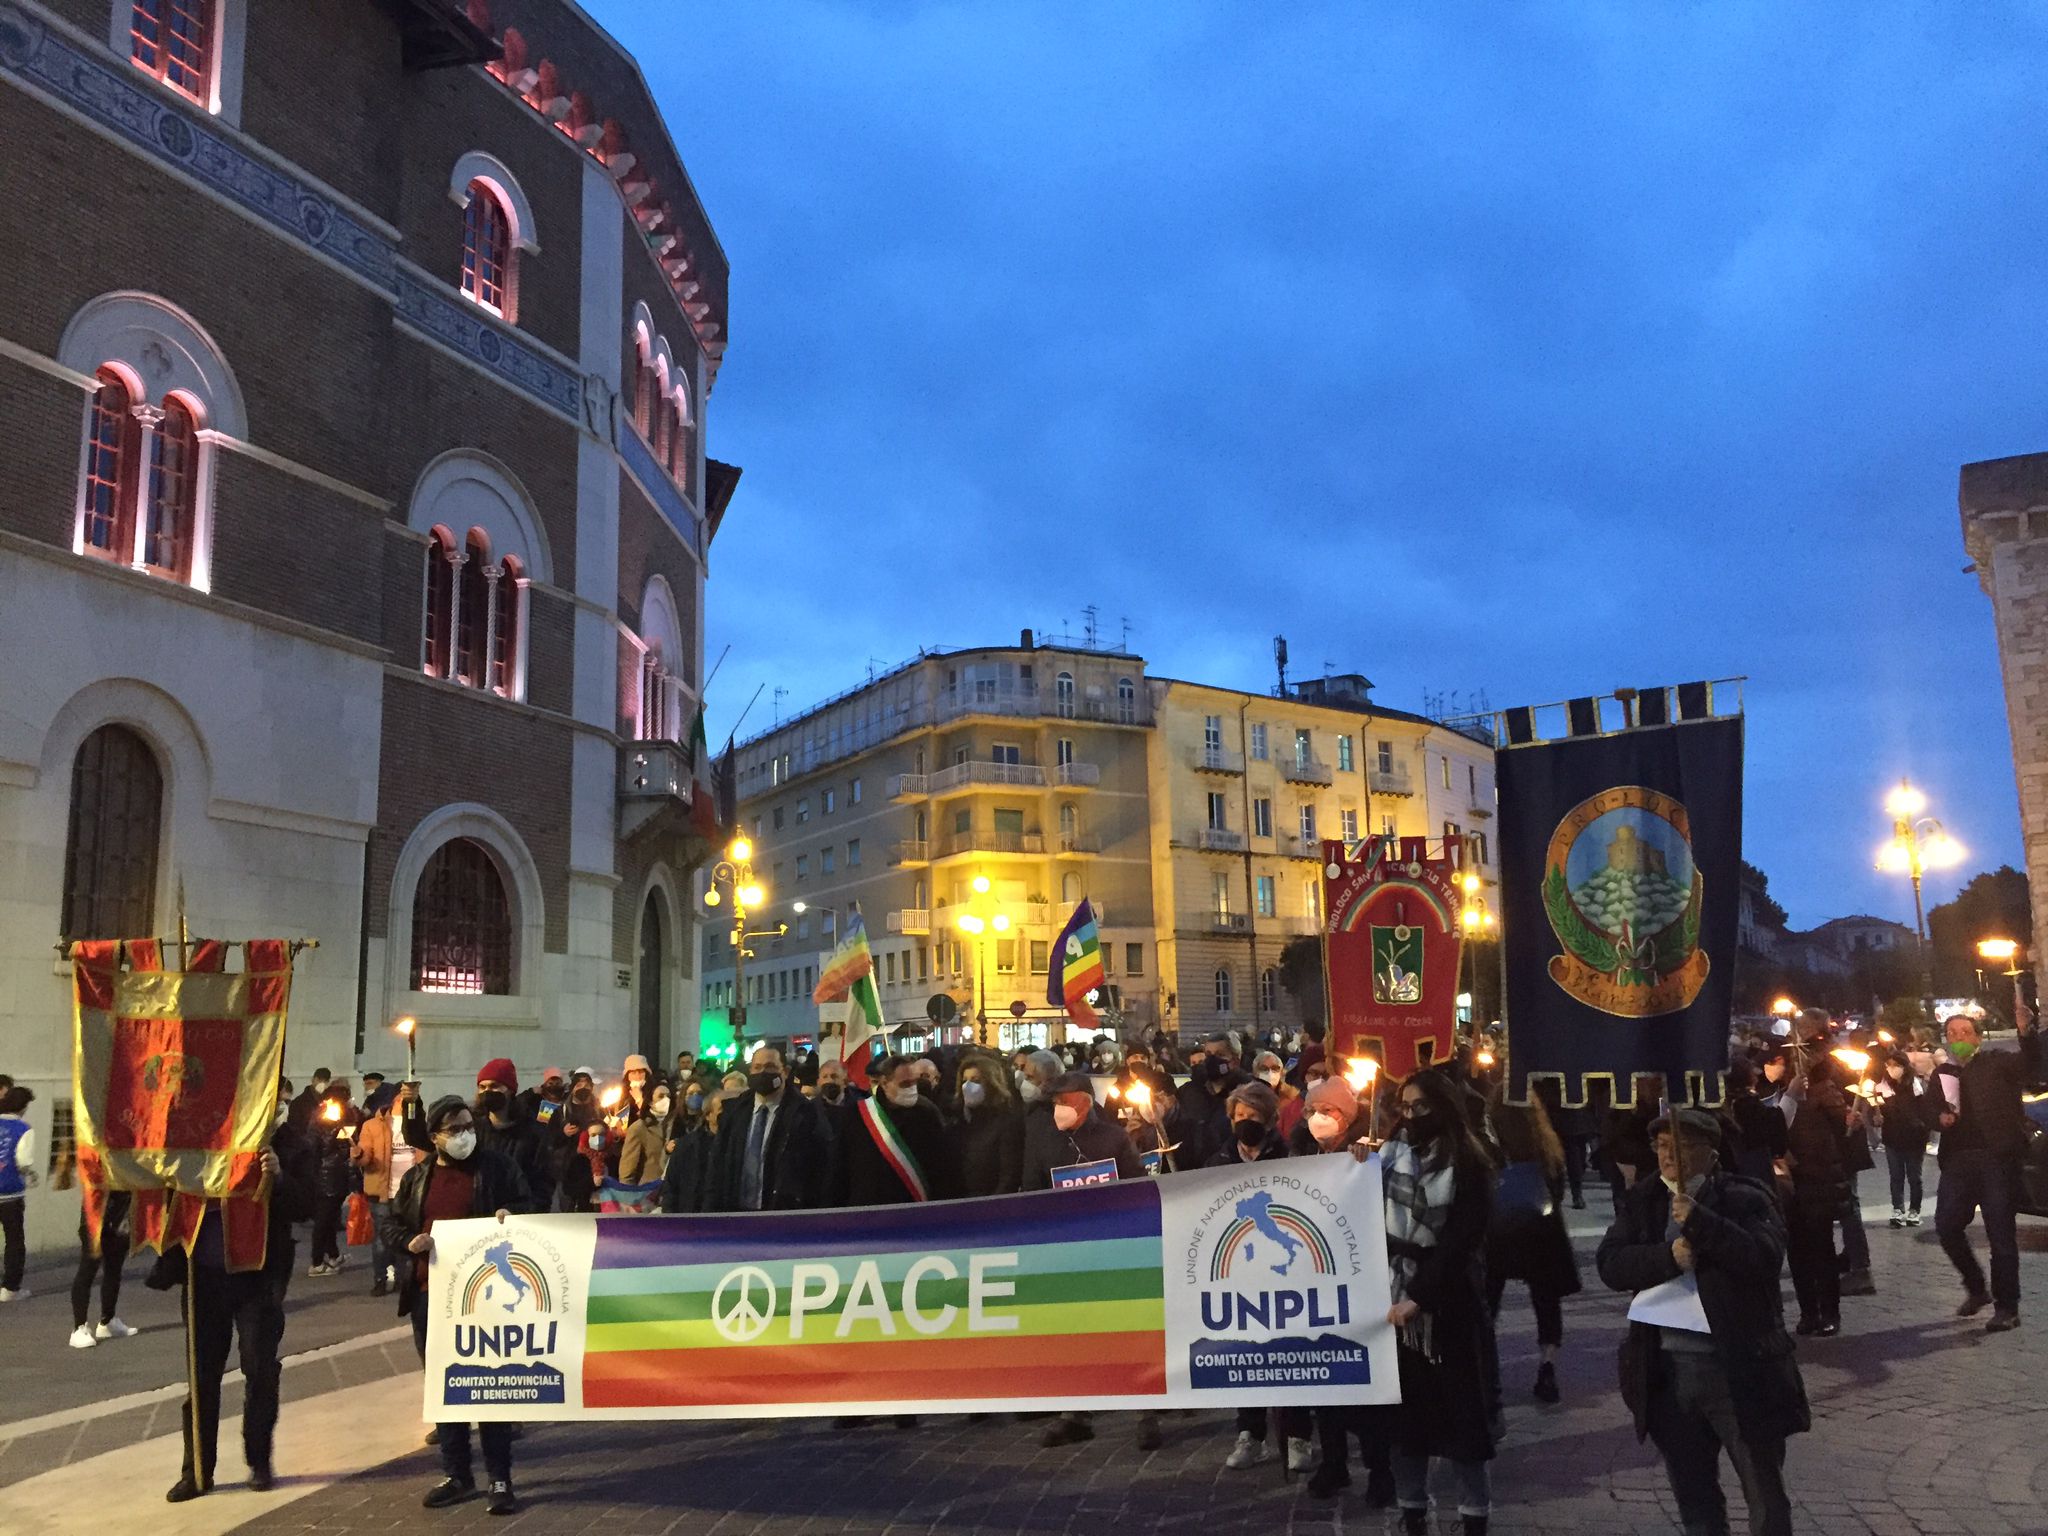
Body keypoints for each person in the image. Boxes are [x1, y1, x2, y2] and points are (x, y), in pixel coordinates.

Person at [1597, 1107, 1808, 1536]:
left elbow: (1762, 1257)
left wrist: (1700, 1222)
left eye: (1682, 1145)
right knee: (1695, 1500)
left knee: (1764, 1496)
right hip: (1670, 1376)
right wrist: (1666, 1258)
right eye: (1661, 1146)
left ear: (1711, 1154)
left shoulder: (1746, 1196)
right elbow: (1611, 1264)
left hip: (1737, 1370)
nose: (1669, 1155)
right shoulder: (1645, 1199)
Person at [1364, 1070, 1497, 1535]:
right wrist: (1349, 1166)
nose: (1411, 1115)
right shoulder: (1390, 1157)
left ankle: (1474, 1517)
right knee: (1406, 1423)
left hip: (1449, 1308)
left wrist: (1420, 1298)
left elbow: (1461, 1241)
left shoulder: (1469, 1163)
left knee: (1461, 1425)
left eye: (1421, 1106)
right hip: (1395, 1298)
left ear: (1443, 1107)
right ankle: (1413, 1511)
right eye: (1405, 1106)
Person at [390, 1095, 534, 1514]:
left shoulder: (498, 1169)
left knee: (491, 1387)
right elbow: (393, 1222)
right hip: (431, 1297)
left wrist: (514, 1214)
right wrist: (408, 1241)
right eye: (454, 1129)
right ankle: (457, 1475)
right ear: (435, 1137)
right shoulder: (418, 1178)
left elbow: (529, 1205)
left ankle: (500, 1478)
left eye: (468, 1126)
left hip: (484, 1299)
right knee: (445, 1389)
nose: (464, 1135)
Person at [165, 1108, 317, 1501]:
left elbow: (308, 1205)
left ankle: (259, 1460)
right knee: (201, 1376)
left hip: (258, 1277)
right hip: (203, 1277)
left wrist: (279, 1176)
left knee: (260, 1369)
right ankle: (197, 1469)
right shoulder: (195, 1133)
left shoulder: (288, 1141)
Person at [1209, 1081, 1315, 1476]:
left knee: (1290, 1354)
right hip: (1240, 1275)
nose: (1245, 1123)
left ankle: (1297, 1435)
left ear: (1270, 1120)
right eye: (1239, 1117)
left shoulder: (1289, 1157)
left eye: (1253, 1117)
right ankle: (1250, 1433)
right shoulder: (1219, 1160)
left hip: (1285, 1274)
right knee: (1247, 1356)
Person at [1295, 1080, 1393, 1503]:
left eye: (1329, 1110)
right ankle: (1334, 1463)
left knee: (1365, 1385)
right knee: (1324, 1384)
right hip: (1316, 1282)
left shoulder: (1370, 1150)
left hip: (1360, 1282)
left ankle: (1380, 1470)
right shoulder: (1306, 1151)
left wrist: (1370, 1163)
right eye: (1313, 1109)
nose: (1319, 1117)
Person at [1932, 1010, 2042, 1331]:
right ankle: (1977, 1287)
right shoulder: (1943, 1073)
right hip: (1958, 1162)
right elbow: (1928, 1108)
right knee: (1946, 1226)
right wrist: (1938, 1118)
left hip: (1997, 1160)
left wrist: (2026, 1032)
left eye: (1965, 1031)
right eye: (1952, 1033)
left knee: (2001, 1236)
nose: (1959, 1037)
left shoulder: (1997, 1063)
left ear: (1978, 1037)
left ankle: (2007, 1307)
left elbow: (2031, 1062)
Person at [1486, 1096, 1581, 1406]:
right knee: (1546, 1300)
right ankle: (1547, 1366)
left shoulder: (1490, 1148)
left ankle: (1488, 1375)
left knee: (1489, 1299)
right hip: (1542, 1231)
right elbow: (1558, 1189)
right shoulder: (1546, 1147)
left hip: (1498, 1231)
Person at [707, 1045, 835, 1211]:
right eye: (757, 1068)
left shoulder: (806, 1114)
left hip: (785, 1216)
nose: (763, 1073)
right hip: (737, 1215)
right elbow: (716, 1166)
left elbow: (822, 1170)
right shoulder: (734, 1113)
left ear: (785, 1072)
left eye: (770, 1067)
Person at [1781, 1053, 1851, 1335]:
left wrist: (1852, 1120)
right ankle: (1808, 1312)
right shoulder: (1783, 1093)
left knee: (1822, 1250)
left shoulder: (1826, 1091)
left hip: (1818, 1178)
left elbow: (1843, 1127)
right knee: (1797, 1252)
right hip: (1791, 1182)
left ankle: (1829, 1312)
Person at [842, 1055, 959, 1204]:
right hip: (871, 1207)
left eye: (914, 1082)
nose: (911, 1088)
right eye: (904, 1084)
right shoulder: (857, 1115)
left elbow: (942, 1165)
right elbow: (842, 1166)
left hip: (915, 1206)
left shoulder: (927, 1113)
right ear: (884, 1083)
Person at [1021, 1071, 1143, 1190]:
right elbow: (1032, 1190)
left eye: (1064, 1102)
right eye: (1055, 1102)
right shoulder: (1043, 1142)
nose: (1058, 1108)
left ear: (1086, 1103)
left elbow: (1137, 1185)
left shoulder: (1116, 1138)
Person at [475, 1058, 554, 1209]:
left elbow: (543, 1185)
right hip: (481, 1217)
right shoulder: (473, 1130)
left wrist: (519, 1210)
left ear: (510, 1090)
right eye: (482, 1087)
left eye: (494, 1086)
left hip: (518, 1219)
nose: (487, 1092)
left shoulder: (533, 1133)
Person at [68, 1189, 137, 1348]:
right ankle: (79, 1327)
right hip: (96, 1213)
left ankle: (108, 1320)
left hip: (120, 1212)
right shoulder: (96, 1163)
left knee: (114, 1268)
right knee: (88, 1268)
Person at [1875, 1049, 1934, 1228]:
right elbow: (1878, 1110)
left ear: (1904, 1066)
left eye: (1896, 1065)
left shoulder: (1916, 1085)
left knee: (1914, 1176)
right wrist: (1877, 1115)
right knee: (1896, 1176)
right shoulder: (1883, 1086)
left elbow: (1923, 1111)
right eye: (1888, 1065)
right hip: (1893, 1137)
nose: (1892, 1068)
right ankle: (1897, 1210)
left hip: (1914, 1138)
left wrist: (1922, 1130)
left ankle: (1914, 1210)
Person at [350, 1086, 400, 1297]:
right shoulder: (372, 1126)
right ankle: (381, 1278)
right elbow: (365, 1158)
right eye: (401, 1098)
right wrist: (358, 1155)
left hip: (408, 1193)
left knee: (406, 1238)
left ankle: (402, 1277)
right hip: (382, 1191)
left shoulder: (417, 1124)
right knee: (382, 1239)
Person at [1172, 1035, 1248, 1171]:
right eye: (1208, 1054)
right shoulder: (1189, 1092)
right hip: (1194, 1175)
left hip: (1233, 1174)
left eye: (1220, 1054)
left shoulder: (1249, 1094)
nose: (1213, 1060)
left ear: (1235, 1061)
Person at [307, 1079, 359, 1277]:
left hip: (336, 1173)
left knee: (329, 1218)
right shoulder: (325, 1114)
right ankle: (317, 1261)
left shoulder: (342, 1113)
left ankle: (333, 1255)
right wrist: (334, 1130)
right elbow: (320, 1145)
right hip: (326, 1174)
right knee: (323, 1219)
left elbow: (348, 1139)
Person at [955, 1052, 1024, 1196]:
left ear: (991, 1083)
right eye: (964, 1081)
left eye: (976, 1080)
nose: (967, 1086)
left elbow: (1009, 1174)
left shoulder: (1006, 1121)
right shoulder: (960, 1121)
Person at [0, 1085, 36, 1299]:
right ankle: (10, 1289)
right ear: (22, 1106)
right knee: (14, 1240)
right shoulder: (23, 1129)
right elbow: (23, 1161)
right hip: (10, 1193)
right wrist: (29, 1173)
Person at [620, 1079, 672, 1187]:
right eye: (661, 1096)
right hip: (647, 1191)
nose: (666, 1100)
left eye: (669, 1096)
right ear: (650, 1101)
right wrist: (629, 1197)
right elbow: (627, 1170)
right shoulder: (639, 1128)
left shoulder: (674, 1125)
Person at [286, 1068, 331, 1132]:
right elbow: (294, 1128)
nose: (322, 1083)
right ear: (313, 1079)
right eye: (319, 1080)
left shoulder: (329, 1101)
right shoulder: (298, 1103)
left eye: (325, 1081)